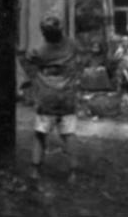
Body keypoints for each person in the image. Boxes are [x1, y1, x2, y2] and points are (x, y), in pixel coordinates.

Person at [27, 15, 81, 183]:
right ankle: (73, 172)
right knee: (69, 134)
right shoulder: (72, 45)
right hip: (67, 97)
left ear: (43, 33)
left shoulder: (39, 52)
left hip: (47, 97)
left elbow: (29, 59)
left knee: (40, 134)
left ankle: (35, 170)